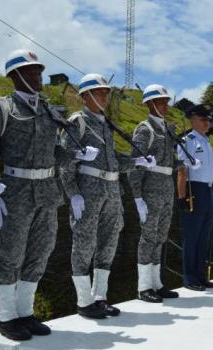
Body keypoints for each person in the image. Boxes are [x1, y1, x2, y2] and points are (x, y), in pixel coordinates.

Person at [0, 49, 98, 341]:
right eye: (31, 71)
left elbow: (55, 152)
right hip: (14, 192)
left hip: (47, 193)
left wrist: (77, 154)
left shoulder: (48, 110)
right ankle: (7, 318)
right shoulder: (1, 109)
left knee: (40, 252)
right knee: (10, 254)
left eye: (39, 71)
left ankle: (25, 313)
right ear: (14, 76)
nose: (37, 76)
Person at [60, 73, 156, 319]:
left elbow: (113, 163)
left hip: (112, 192)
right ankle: (84, 301)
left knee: (108, 244)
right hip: (88, 192)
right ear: (86, 96)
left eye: (106, 92)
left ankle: (99, 297)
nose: (105, 95)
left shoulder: (105, 124)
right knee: (84, 244)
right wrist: (73, 194)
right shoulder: (77, 121)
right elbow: (64, 160)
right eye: (100, 92)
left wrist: (138, 161)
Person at [129, 84, 180, 303]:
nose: (164, 105)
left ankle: (157, 283)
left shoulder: (167, 129)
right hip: (150, 190)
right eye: (160, 102)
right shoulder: (145, 129)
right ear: (149, 104)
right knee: (148, 237)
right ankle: (143, 287)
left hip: (166, 187)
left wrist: (184, 163)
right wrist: (137, 196)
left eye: (166, 102)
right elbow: (135, 164)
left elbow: (168, 160)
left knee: (161, 236)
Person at [177, 104, 213, 291]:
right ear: (192, 120)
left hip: (208, 190)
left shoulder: (206, 141)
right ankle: (189, 277)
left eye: (208, 120)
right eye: (203, 119)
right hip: (194, 190)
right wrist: (182, 196)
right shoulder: (189, 140)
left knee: (204, 236)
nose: (206, 123)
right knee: (192, 236)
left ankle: (201, 276)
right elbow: (182, 171)